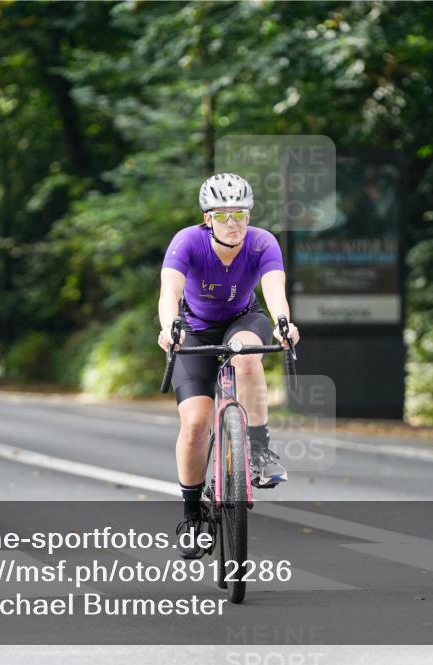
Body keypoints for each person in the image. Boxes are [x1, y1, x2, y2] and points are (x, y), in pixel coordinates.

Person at [158, 173, 299, 559]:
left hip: (243, 319)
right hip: (195, 329)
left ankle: (259, 449)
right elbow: (169, 291)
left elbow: (274, 291)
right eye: (223, 216)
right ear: (208, 219)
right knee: (195, 424)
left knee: (247, 351)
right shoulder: (186, 242)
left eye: (240, 214)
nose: (233, 223)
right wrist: (169, 330)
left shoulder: (262, 243)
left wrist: (285, 323)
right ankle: (192, 515)